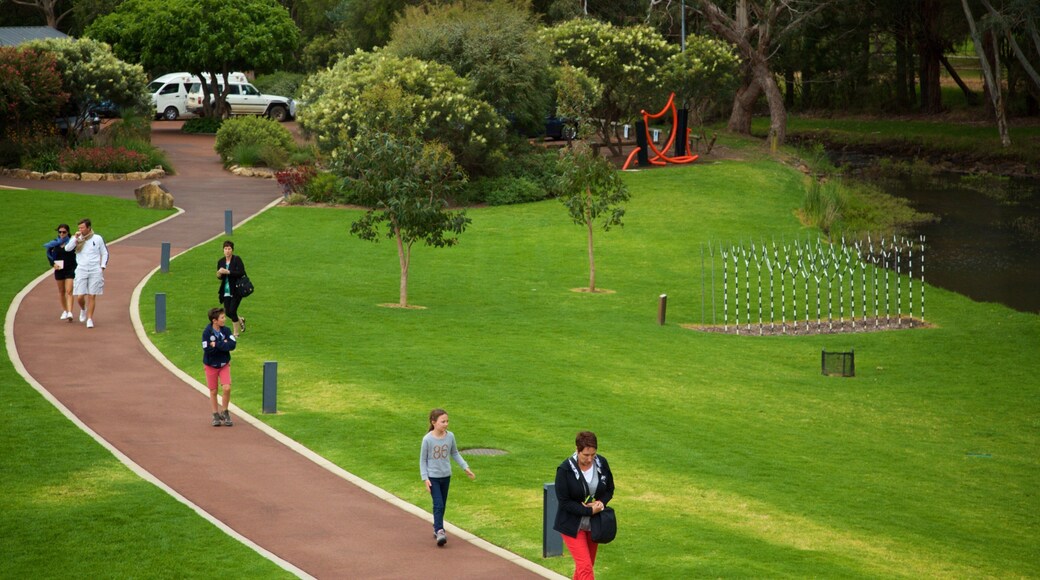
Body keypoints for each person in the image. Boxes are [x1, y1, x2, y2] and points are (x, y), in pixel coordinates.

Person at [553, 431, 614, 580]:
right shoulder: (564, 470)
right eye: (586, 455)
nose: (590, 459)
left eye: (593, 454)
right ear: (577, 450)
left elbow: (609, 489)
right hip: (571, 525)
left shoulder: (602, 463)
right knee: (585, 568)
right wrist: (589, 510)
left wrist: (601, 503)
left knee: (585, 567)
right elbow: (564, 502)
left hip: (593, 525)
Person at [419, 408, 475, 547]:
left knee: (442, 504)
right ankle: (440, 530)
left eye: (447, 421)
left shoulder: (450, 436)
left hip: (446, 476)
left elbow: (455, 453)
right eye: (442, 421)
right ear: (433, 422)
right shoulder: (427, 439)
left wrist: (465, 467)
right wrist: (425, 478)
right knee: (438, 504)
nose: (445, 424)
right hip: (433, 477)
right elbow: (423, 460)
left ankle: (436, 526)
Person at [63, 218, 108, 329]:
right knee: (80, 296)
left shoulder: (97, 238)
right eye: (79, 228)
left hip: (94, 269)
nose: (80, 230)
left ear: (88, 228)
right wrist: (75, 239)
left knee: (92, 295)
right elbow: (67, 249)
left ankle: (89, 319)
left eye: (82, 228)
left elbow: (104, 252)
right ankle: (83, 309)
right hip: (81, 269)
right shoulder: (76, 238)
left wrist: (102, 266)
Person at [202, 307, 236, 427]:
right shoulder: (207, 332)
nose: (224, 319)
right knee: (214, 391)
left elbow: (232, 345)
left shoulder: (226, 330)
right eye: (222, 317)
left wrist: (216, 344)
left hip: (224, 364)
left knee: (226, 388)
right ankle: (215, 414)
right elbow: (208, 350)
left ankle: (225, 411)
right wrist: (223, 345)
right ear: (214, 320)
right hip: (211, 365)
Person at [43, 224, 77, 321]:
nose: (62, 234)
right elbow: (49, 255)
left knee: (69, 291)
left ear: (68, 232)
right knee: (61, 291)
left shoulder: (72, 242)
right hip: (59, 269)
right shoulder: (54, 243)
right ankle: (65, 310)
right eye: (60, 232)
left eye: (64, 232)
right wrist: (53, 264)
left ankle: (70, 312)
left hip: (70, 268)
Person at [216, 240, 247, 336]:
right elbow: (220, 277)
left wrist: (228, 272)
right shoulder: (221, 261)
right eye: (225, 249)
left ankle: (236, 333)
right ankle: (240, 319)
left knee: (232, 310)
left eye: (229, 249)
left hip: (236, 289)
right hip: (226, 290)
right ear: (223, 250)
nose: (227, 251)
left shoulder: (236, 259)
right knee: (228, 312)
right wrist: (219, 274)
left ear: (232, 250)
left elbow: (241, 272)